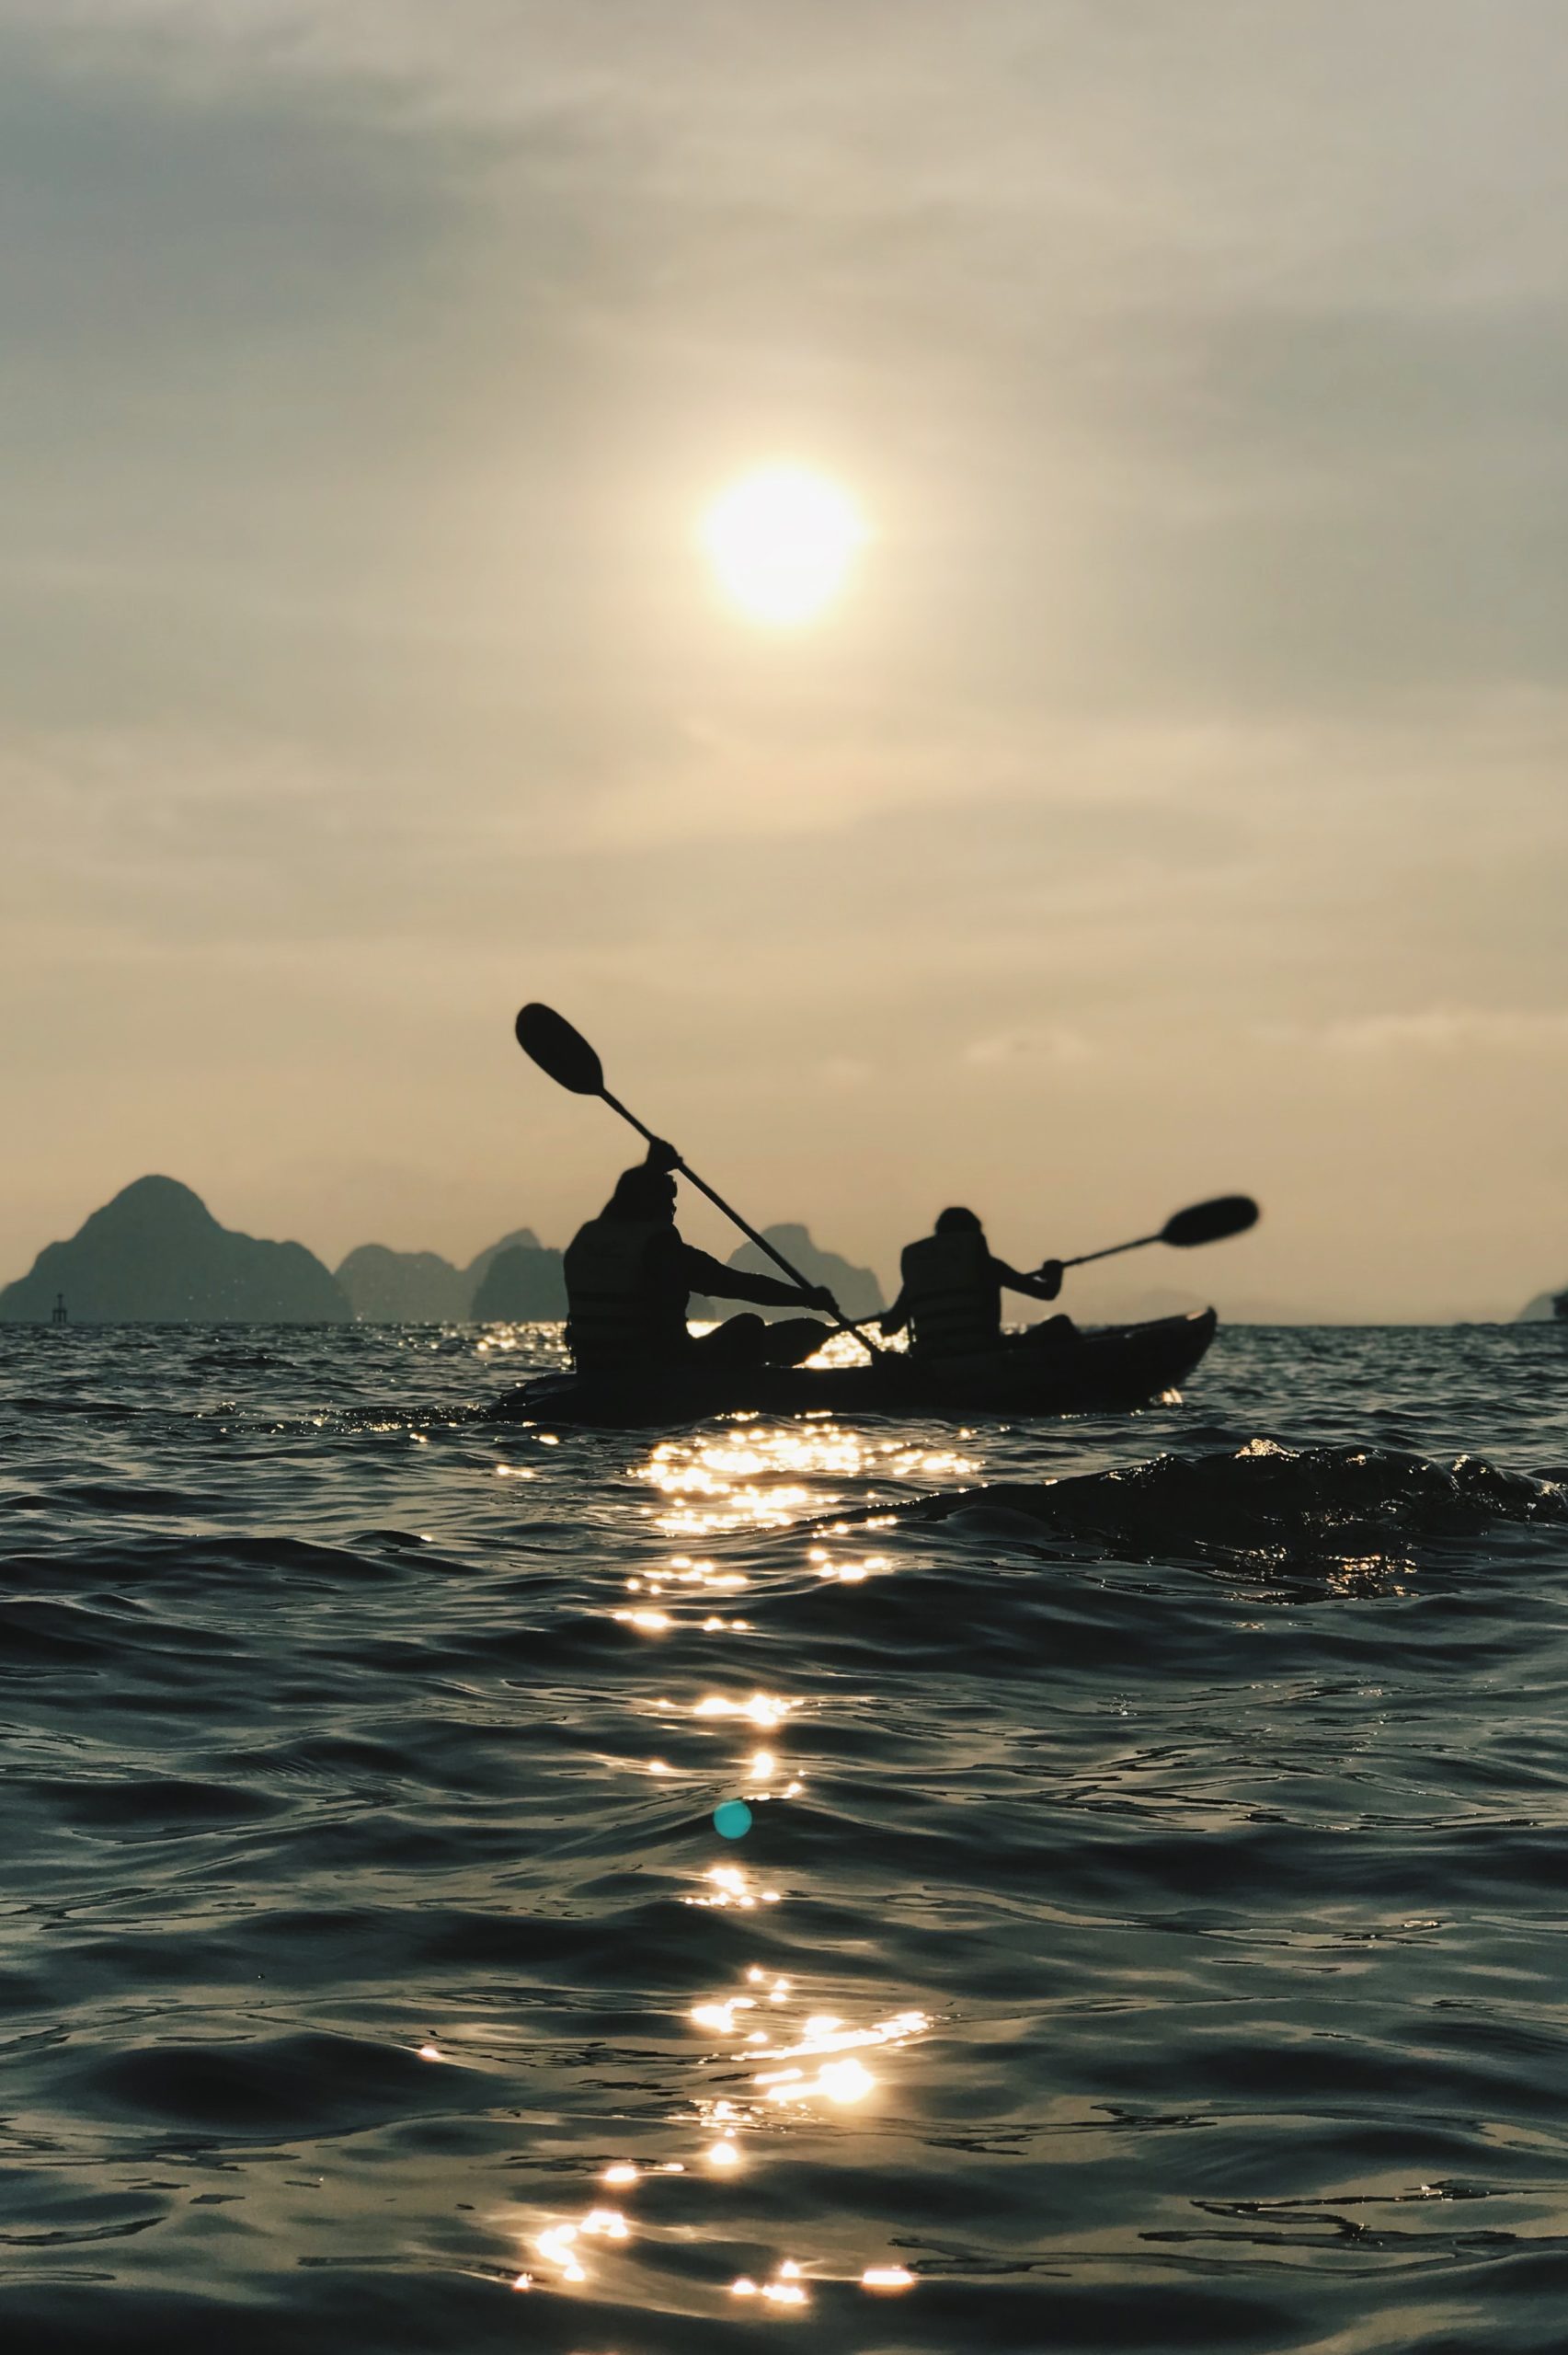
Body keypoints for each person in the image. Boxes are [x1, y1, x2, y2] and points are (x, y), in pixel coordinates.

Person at [564, 1141, 838, 1376]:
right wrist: (807, 1298)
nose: (672, 1209)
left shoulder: (587, 1239)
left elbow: (624, 1196)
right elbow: (738, 1285)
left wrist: (651, 1167)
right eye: (667, 1201)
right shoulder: (662, 1250)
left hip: (592, 1368)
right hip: (657, 1371)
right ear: (653, 1205)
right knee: (749, 1325)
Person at [879, 1206, 1071, 1361]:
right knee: (1061, 1326)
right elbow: (1046, 1292)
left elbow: (889, 1328)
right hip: (981, 1352)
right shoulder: (987, 1265)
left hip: (932, 1357)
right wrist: (1055, 1273)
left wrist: (886, 1318)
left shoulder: (920, 1277)